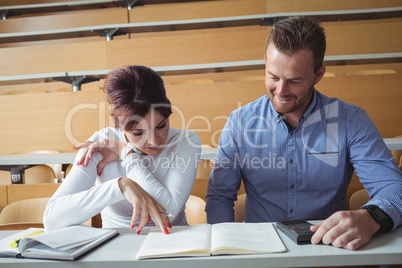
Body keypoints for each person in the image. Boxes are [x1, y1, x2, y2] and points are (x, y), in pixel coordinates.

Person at [205, 16, 401, 250]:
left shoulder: (350, 119)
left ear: (318, 74)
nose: (281, 91)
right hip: (261, 251)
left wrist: (371, 217)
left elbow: (392, 186)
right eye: (273, 77)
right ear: (266, 62)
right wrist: (226, 250)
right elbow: (220, 197)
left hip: (328, 250)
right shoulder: (240, 122)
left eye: (295, 81)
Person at [44, 65, 201, 234]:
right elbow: (52, 219)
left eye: (161, 125)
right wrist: (120, 187)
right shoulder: (100, 145)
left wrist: (127, 155)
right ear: (119, 126)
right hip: (114, 246)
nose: (154, 141)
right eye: (138, 133)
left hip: (174, 242)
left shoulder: (186, 141)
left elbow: (166, 214)